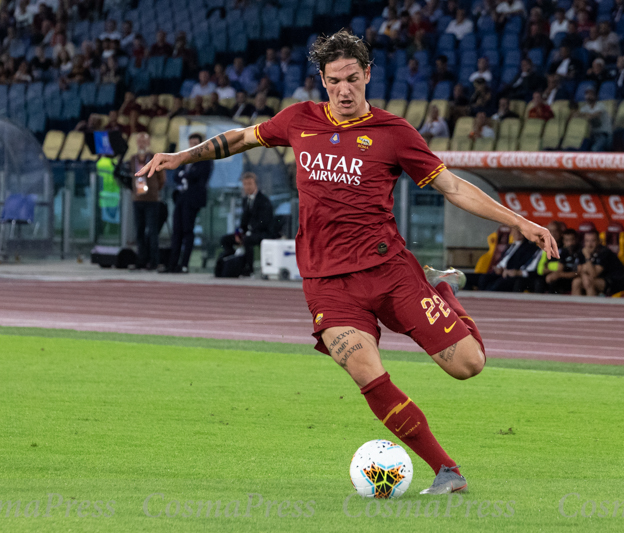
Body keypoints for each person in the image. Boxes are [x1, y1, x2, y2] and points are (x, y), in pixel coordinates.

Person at [136, 29, 558, 495]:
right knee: (366, 371)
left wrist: (518, 221)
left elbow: (453, 187)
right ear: (322, 79)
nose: (344, 89)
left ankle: (442, 292)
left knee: (468, 365)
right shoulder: (299, 119)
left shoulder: (395, 134)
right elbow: (240, 138)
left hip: (390, 272)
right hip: (327, 284)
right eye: (335, 80)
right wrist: (181, 156)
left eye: (353, 79)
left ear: (368, 75)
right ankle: (447, 471)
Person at [164, 133, 213, 274]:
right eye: (191, 143)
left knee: (187, 230)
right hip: (181, 197)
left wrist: (185, 176)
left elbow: (197, 176)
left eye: (195, 143)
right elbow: (176, 174)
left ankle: (184, 264)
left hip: (192, 199)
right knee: (177, 231)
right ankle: (173, 264)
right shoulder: (185, 157)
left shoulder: (206, 159)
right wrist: (185, 176)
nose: (193, 145)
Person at [218, 172, 275, 276]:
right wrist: (237, 233)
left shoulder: (263, 200)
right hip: (249, 232)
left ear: (256, 184)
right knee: (225, 239)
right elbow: (243, 221)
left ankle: (250, 269)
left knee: (247, 240)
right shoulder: (245, 200)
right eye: (245, 184)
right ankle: (232, 263)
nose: (247, 187)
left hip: (263, 232)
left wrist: (248, 232)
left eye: (250, 184)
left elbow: (264, 221)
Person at [130, 133, 166, 271]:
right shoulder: (132, 159)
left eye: (144, 141)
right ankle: (141, 260)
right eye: (139, 141)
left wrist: (154, 190)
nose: (141, 144)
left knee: (152, 231)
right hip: (138, 199)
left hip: (152, 200)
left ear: (148, 143)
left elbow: (162, 179)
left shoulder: (155, 158)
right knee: (139, 231)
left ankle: (154, 261)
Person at [478, 227, 542, 291]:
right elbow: (503, 260)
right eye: (514, 231)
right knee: (483, 278)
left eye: (519, 231)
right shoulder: (510, 246)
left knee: (497, 285)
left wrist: (509, 271)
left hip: (513, 275)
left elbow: (521, 266)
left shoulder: (529, 248)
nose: (516, 233)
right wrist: (498, 268)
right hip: (502, 272)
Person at [571, 229, 624, 296]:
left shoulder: (605, 253)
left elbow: (594, 274)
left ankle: (591, 306)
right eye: (587, 241)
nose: (589, 244)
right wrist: (584, 275)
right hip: (596, 280)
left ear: (599, 241)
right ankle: (576, 306)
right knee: (576, 282)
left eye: (593, 241)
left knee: (589, 282)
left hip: (615, 282)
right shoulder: (582, 252)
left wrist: (587, 258)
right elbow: (578, 271)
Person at [541, 228, 581, 294]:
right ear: (564, 241)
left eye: (572, 240)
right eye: (567, 240)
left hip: (575, 277)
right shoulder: (563, 252)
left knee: (576, 281)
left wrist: (560, 274)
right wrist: (556, 274)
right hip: (565, 277)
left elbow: (579, 273)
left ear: (576, 240)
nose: (570, 243)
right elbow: (560, 269)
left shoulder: (580, 252)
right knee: (549, 278)